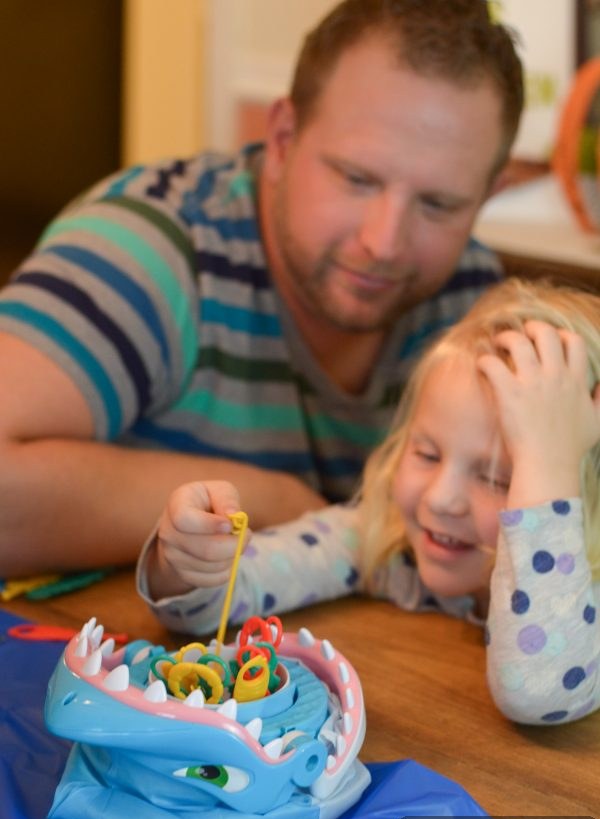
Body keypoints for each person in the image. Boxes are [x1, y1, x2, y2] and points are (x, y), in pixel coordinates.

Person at [0, 0, 523, 575]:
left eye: (440, 204)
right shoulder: (152, 250)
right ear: (281, 136)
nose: (386, 242)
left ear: (488, 193)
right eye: (356, 178)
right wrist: (275, 503)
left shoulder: (469, 295)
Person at [137, 278, 600, 725]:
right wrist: (185, 562)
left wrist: (547, 457)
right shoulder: (387, 537)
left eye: (500, 479)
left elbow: (538, 692)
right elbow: (201, 613)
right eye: (426, 453)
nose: (441, 499)